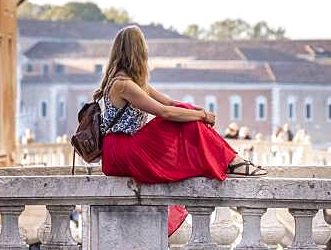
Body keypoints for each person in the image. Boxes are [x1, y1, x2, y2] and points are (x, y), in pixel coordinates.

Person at [95, 26, 267, 235]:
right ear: (139, 51)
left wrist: (197, 111)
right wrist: (202, 116)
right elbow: (164, 112)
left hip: (125, 147)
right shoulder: (123, 85)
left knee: (185, 110)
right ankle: (232, 162)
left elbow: (169, 102)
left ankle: (231, 160)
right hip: (121, 150)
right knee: (183, 115)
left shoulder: (134, 83)